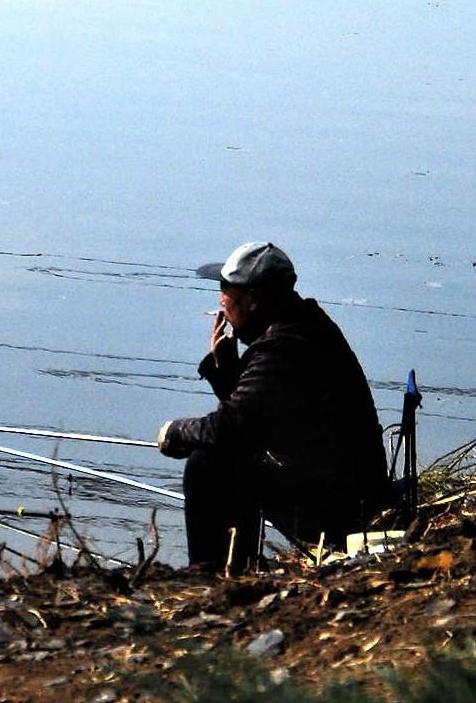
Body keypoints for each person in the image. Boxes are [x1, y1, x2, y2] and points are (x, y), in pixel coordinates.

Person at [156, 241, 390, 570]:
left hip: (341, 507)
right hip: (347, 488)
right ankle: (237, 565)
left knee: (207, 463)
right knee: (226, 455)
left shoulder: (282, 347)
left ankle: (215, 575)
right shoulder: (305, 326)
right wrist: (226, 373)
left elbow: (229, 429)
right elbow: (256, 421)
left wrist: (174, 432)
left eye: (225, 289)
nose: (221, 301)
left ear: (252, 299)